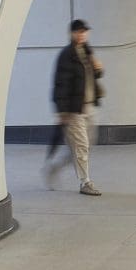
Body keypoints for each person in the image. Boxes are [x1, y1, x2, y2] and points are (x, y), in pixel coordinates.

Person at [47, 19, 104, 195]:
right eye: (79, 32)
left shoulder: (87, 52)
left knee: (87, 144)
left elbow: (96, 75)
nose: (82, 34)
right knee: (81, 145)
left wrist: (98, 68)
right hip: (73, 109)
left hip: (89, 107)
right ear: (72, 33)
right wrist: (62, 111)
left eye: (85, 31)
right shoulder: (67, 55)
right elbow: (60, 84)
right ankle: (85, 182)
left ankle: (55, 168)